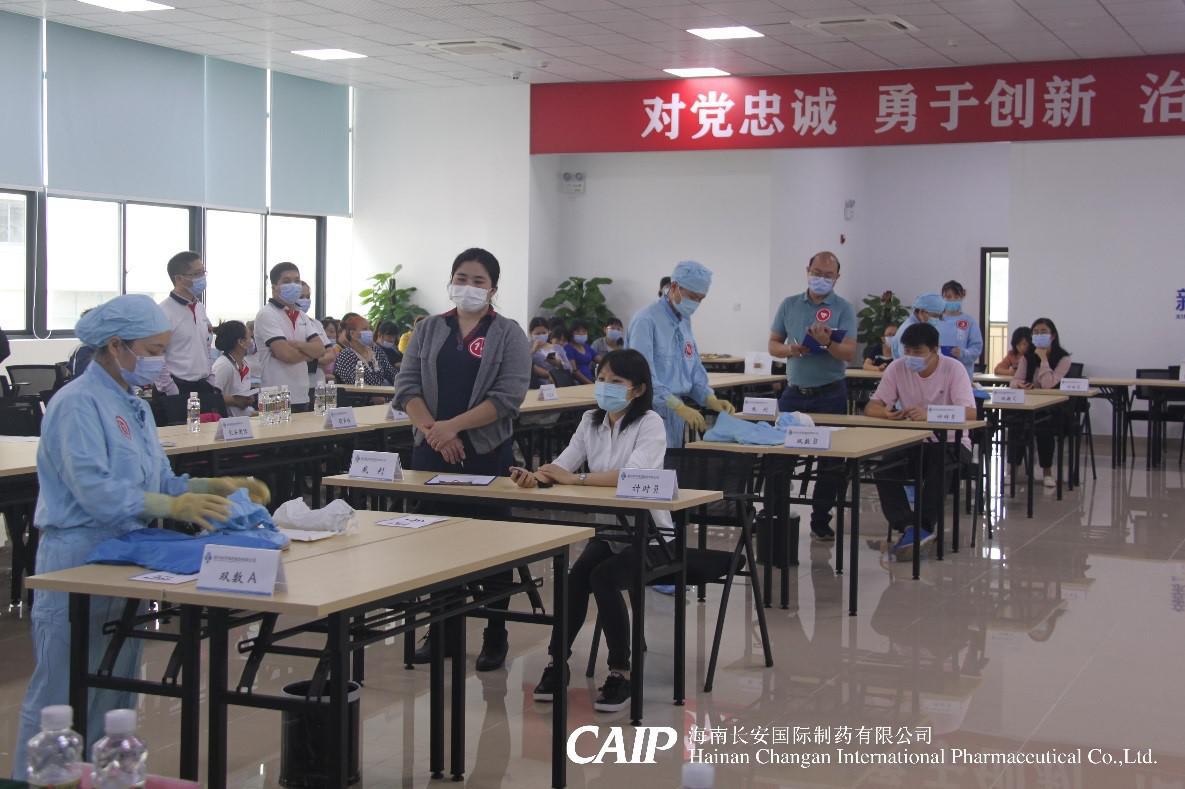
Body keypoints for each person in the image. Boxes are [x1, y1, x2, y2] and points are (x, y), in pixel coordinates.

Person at [11, 295, 269, 777]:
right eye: (153, 349)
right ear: (116, 346)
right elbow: (94, 490)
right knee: (60, 694)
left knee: (114, 689)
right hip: (77, 557)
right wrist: (168, 507)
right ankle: (40, 779)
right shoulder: (76, 404)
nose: (161, 360)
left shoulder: (135, 406)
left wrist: (209, 487)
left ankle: (102, 778)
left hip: (128, 554)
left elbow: (160, 481)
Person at [394, 247, 531, 671]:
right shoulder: (430, 328)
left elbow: (508, 397)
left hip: (484, 452)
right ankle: (442, 629)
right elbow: (407, 386)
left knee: (491, 543)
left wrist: (453, 428)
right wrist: (435, 432)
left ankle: (495, 632)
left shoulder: (508, 333)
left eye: (478, 281)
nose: (468, 287)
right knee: (436, 541)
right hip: (431, 451)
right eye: (461, 278)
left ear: (493, 288)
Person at [513, 349, 667, 713]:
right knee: (575, 578)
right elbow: (563, 465)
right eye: (601, 378)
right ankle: (557, 664)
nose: (605, 386)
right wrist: (536, 477)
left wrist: (577, 479)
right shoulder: (590, 421)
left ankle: (620, 672)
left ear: (637, 389)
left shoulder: (650, 423)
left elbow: (633, 476)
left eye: (616, 381)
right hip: (611, 531)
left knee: (604, 578)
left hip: (652, 535)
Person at [865, 322, 976, 559]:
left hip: (953, 443)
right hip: (914, 443)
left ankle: (923, 527)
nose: (911, 358)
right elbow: (871, 407)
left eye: (918, 352)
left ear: (935, 350)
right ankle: (908, 526)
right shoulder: (897, 368)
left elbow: (970, 413)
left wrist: (930, 414)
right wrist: (886, 412)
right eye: (907, 351)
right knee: (885, 468)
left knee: (938, 461)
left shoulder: (954, 369)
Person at [768, 251, 858, 541]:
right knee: (778, 456)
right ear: (807, 270)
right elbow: (773, 344)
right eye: (817, 273)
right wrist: (791, 349)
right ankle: (774, 514)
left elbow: (849, 352)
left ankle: (821, 519)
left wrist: (828, 342)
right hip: (794, 394)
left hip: (830, 392)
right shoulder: (789, 304)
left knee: (832, 462)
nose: (821, 279)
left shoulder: (843, 308)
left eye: (828, 275)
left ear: (837, 278)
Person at [627, 260, 734, 448]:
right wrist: (677, 406)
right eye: (692, 297)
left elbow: (692, 368)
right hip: (648, 412)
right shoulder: (646, 320)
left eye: (701, 299)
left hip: (674, 414)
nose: (696, 303)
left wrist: (709, 399)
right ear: (675, 286)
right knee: (648, 464)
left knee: (670, 463)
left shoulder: (684, 321)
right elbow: (641, 376)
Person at [1009, 318, 1072, 487]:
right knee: (1015, 425)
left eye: (1043, 332)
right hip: (1029, 405)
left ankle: (1047, 472)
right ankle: (1012, 470)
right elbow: (1014, 380)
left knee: (1044, 427)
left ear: (1053, 336)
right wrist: (1019, 385)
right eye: (1035, 332)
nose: (1039, 335)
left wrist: (1043, 359)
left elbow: (1048, 384)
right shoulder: (1027, 357)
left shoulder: (1063, 358)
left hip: (1054, 407)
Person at [253, 262, 324, 411]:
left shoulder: (301, 315)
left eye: (297, 281)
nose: (293, 285)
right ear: (274, 287)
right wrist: (309, 354)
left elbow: (320, 349)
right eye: (286, 281)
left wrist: (297, 345)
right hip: (274, 394)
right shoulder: (267, 314)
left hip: (301, 394)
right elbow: (286, 355)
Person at [157, 251, 214, 396]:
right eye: (197, 273)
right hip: (177, 387)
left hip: (202, 385)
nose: (202, 277)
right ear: (179, 278)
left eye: (203, 272)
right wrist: (170, 389)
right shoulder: (163, 312)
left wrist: (211, 378)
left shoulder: (199, 307)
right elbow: (156, 356)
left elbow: (205, 346)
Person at [938, 280, 984, 378]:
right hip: (938, 372)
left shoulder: (969, 321)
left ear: (962, 297)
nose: (952, 300)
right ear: (942, 298)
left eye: (956, 297)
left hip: (962, 373)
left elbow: (976, 348)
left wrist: (963, 353)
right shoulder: (935, 321)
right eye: (948, 297)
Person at [334, 314, 396, 386]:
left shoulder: (376, 350)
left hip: (385, 391)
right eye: (365, 329)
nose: (369, 332)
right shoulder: (346, 356)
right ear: (352, 334)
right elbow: (357, 384)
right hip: (361, 393)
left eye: (369, 329)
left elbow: (391, 372)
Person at [211, 320, 256, 416]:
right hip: (229, 421)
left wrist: (247, 399)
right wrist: (235, 401)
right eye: (250, 338)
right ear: (241, 342)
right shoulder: (223, 365)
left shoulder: (244, 365)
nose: (252, 342)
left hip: (246, 417)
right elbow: (212, 397)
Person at [297, 281, 332, 392]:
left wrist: (313, 360)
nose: (305, 300)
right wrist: (318, 356)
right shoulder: (285, 322)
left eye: (308, 297)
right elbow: (291, 354)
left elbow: (330, 354)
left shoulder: (316, 323)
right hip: (295, 384)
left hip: (318, 384)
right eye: (301, 297)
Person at [891, 293, 945, 359]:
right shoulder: (910, 330)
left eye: (940, 317)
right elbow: (909, 359)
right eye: (935, 316)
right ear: (921, 312)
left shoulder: (923, 327)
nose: (937, 319)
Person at [563, 320, 595, 384]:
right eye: (577, 331)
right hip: (577, 383)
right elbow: (574, 371)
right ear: (571, 333)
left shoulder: (586, 346)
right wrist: (591, 384)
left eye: (584, 331)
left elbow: (600, 359)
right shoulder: (568, 348)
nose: (581, 333)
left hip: (590, 380)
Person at [318, 317, 340, 382]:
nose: (328, 335)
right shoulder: (313, 352)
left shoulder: (340, 352)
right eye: (323, 332)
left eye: (332, 331)